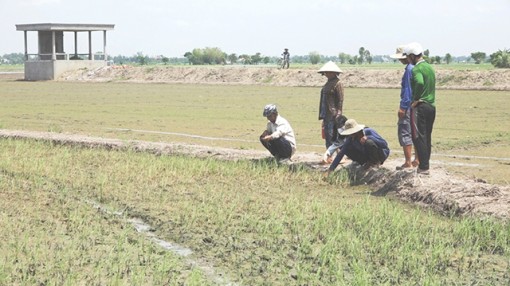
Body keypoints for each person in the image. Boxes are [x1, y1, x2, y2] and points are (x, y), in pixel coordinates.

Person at [405, 42, 436, 175]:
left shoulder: (416, 69)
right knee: (427, 136)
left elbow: (419, 82)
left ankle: (423, 167)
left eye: (407, 57)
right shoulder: (429, 67)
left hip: (421, 107)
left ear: (412, 56)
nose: (407, 59)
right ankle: (425, 164)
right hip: (431, 106)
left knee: (418, 137)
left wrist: (415, 100)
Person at [325, 119, 390, 176]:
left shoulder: (368, 131)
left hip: (381, 155)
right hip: (367, 156)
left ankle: (375, 162)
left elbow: (384, 144)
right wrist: (331, 169)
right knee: (345, 148)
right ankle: (366, 163)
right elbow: (340, 154)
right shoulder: (351, 139)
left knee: (368, 142)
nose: (351, 134)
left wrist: (369, 137)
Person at [390, 45, 419, 170]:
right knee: (415, 132)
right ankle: (417, 159)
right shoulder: (416, 68)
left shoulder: (409, 70)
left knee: (405, 131)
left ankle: (408, 161)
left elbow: (408, 90)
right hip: (416, 106)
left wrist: (403, 107)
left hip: (408, 106)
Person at [318, 61, 344, 156]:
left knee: (334, 135)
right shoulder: (328, 83)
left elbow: (340, 100)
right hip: (326, 114)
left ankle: (338, 156)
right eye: (326, 72)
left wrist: (338, 113)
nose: (326, 74)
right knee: (328, 136)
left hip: (333, 114)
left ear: (334, 73)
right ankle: (330, 156)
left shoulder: (338, 83)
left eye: (328, 72)